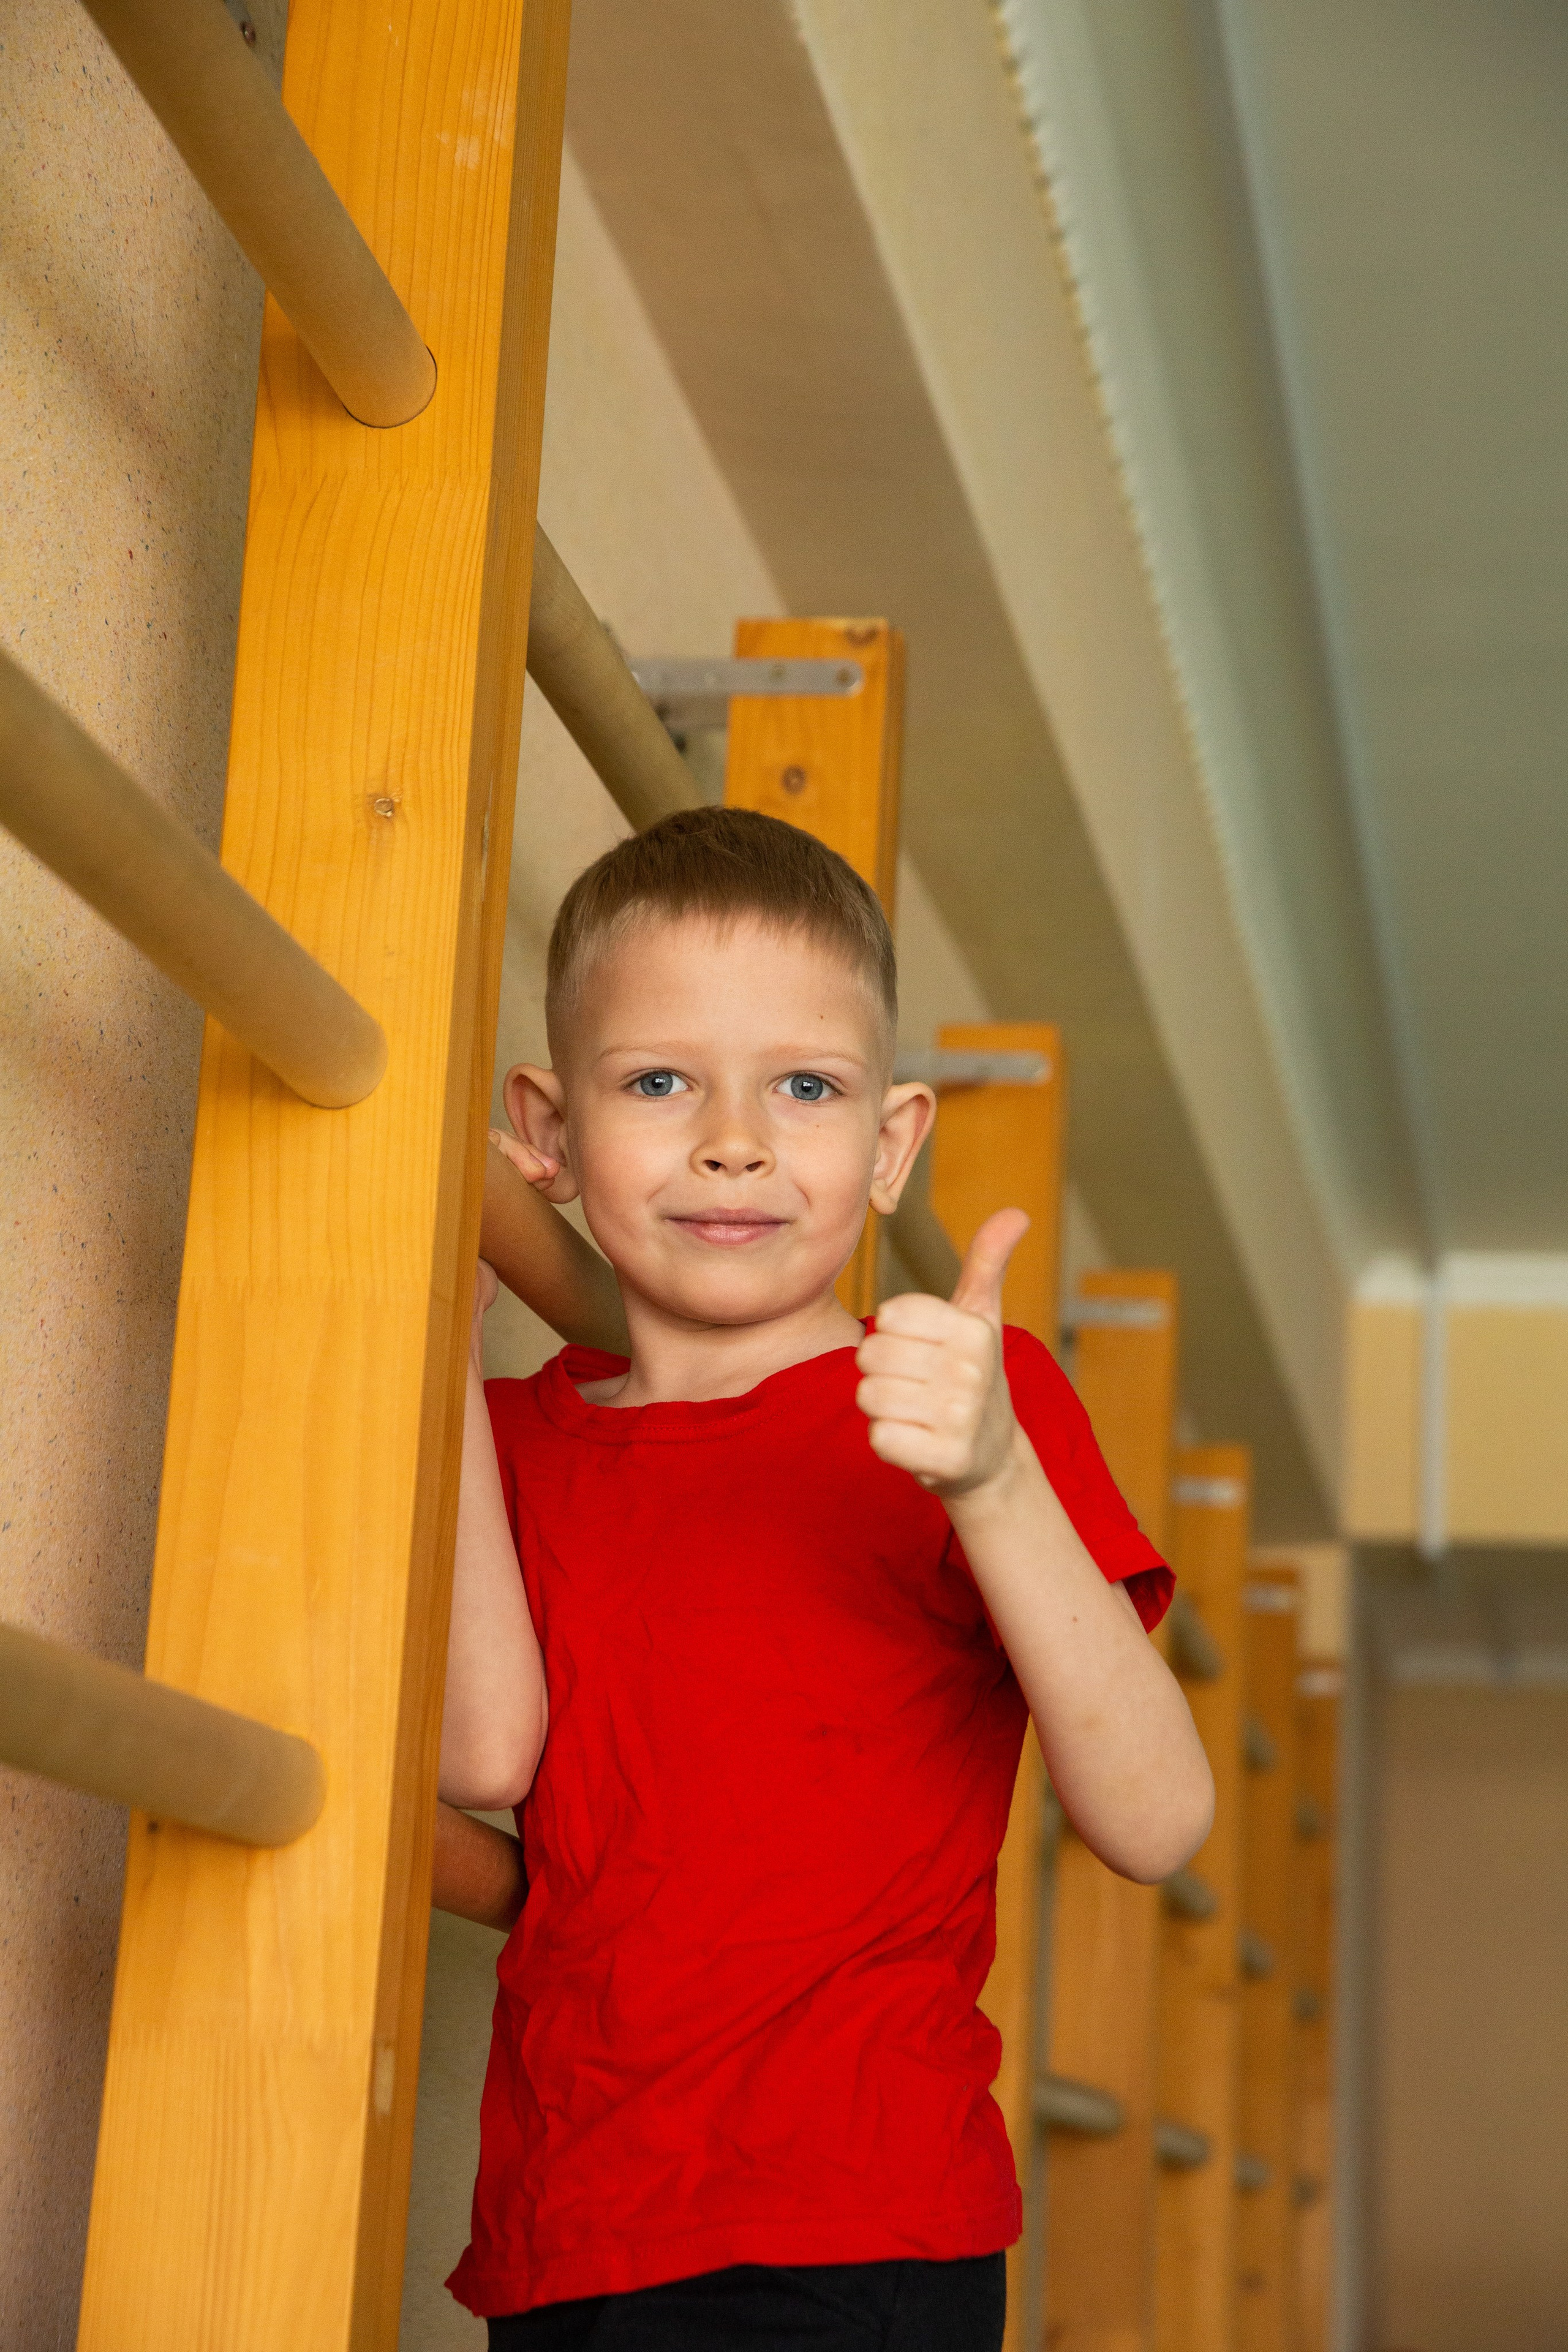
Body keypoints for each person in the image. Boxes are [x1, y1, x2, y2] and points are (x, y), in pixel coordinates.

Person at [439, 806, 1214, 2350]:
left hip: (858, 2220)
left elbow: (1154, 1819)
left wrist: (990, 1478)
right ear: (545, 1132)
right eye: (658, 1082)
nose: (733, 1138)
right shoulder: (517, 1442)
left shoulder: (966, 1404)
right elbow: (483, 1752)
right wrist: (430, 1324)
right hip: (568, 2219)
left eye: (804, 1087)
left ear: (888, 1145)